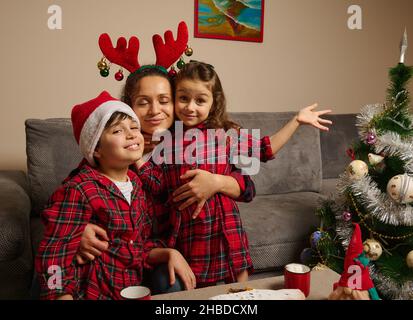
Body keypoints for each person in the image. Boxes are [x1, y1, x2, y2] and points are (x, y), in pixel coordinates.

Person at [135, 61, 333, 286]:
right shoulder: (167, 141)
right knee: (199, 288)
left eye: (200, 100)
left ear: (213, 102)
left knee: (240, 287)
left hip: (225, 225)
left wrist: (296, 121)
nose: (190, 107)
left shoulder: (225, 135)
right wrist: (138, 156)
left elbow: (264, 148)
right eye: (183, 98)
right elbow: (157, 184)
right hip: (189, 231)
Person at [76, 67, 257, 293]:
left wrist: (216, 182)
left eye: (164, 100)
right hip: (134, 249)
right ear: (129, 106)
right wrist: (79, 229)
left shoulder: (190, 141)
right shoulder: (117, 147)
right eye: (143, 102)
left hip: (183, 245)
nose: (155, 111)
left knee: (175, 283)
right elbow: (76, 190)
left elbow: (248, 188)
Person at [35, 91, 194, 299]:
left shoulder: (136, 185)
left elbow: (138, 245)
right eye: (118, 130)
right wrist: (60, 294)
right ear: (97, 149)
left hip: (130, 288)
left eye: (134, 128)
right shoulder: (80, 188)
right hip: (91, 291)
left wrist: (169, 252)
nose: (131, 134)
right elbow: (53, 253)